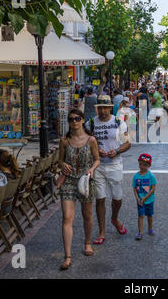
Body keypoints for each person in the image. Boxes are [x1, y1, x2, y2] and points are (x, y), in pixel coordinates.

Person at [58, 109, 100, 270]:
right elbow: (59, 161)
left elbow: (97, 160)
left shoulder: (91, 140)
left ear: (82, 120)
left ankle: (87, 243)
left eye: (77, 118)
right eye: (71, 119)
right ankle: (67, 256)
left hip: (86, 180)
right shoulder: (64, 141)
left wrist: (92, 169)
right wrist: (62, 165)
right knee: (67, 217)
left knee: (87, 214)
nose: (74, 121)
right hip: (68, 181)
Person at [87, 95, 131, 246]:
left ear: (110, 108)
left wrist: (117, 151)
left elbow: (127, 143)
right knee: (100, 199)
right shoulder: (91, 123)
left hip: (115, 164)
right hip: (98, 165)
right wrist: (95, 150)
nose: (103, 110)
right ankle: (102, 231)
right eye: (100, 107)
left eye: (105, 107)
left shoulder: (119, 123)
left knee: (117, 198)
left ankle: (114, 218)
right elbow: (86, 142)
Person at [132, 154, 157, 240]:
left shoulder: (151, 176)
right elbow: (134, 188)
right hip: (140, 200)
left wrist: (145, 197)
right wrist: (137, 198)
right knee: (140, 215)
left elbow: (153, 188)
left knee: (149, 215)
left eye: (145, 165)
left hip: (149, 200)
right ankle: (140, 232)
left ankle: (150, 228)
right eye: (140, 164)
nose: (142, 166)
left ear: (149, 166)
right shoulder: (136, 176)